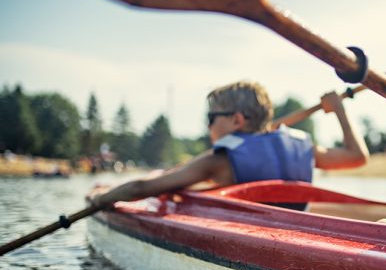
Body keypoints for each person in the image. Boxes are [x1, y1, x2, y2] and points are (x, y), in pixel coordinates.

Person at [90, 81, 369, 208]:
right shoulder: (302, 148)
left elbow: (142, 188)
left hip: (249, 241)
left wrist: (101, 198)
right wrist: (340, 111)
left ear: (236, 120)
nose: (207, 125)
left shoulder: (217, 161)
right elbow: (357, 157)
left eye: (211, 117)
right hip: (298, 234)